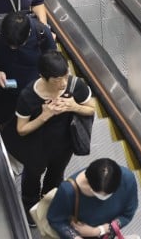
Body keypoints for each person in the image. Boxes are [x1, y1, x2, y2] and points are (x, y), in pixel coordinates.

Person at [12, 52, 96, 224]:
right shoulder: (28, 96)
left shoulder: (75, 86)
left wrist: (74, 107)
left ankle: (50, 204)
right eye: (57, 79)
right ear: (43, 77)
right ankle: (31, 210)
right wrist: (45, 115)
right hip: (35, 148)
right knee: (32, 179)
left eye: (65, 76)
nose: (63, 83)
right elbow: (21, 129)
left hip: (64, 146)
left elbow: (91, 108)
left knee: (56, 176)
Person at [46, 158, 139, 239]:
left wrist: (98, 231)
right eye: (104, 195)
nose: (106, 198)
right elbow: (56, 220)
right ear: (90, 186)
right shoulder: (67, 191)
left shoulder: (127, 179)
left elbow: (127, 214)